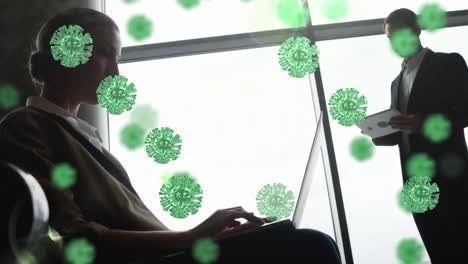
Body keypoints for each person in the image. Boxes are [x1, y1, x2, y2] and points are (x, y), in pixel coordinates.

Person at [0, 8, 341, 263]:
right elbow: (76, 238)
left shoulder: (79, 136)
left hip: (170, 254)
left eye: (117, 58)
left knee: (302, 244)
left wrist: (210, 237)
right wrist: (191, 237)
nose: (116, 72)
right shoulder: (26, 126)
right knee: (310, 247)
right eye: (105, 54)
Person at [373, 8, 468, 263]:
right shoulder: (396, 82)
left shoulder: (448, 64)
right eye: (390, 38)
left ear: (416, 30)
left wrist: (423, 124)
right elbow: (403, 132)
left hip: (450, 181)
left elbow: (465, 113)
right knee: (440, 253)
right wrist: (378, 130)